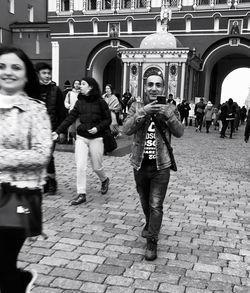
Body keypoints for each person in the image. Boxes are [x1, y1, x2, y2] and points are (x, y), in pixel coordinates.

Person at [0, 46, 52, 292]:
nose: (8, 72)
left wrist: (2, 158)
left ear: (26, 75)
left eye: (15, 67)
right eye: (1, 66)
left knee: (4, 259)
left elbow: (42, 154)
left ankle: (17, 282)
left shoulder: (36, 109)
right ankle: (18, 281)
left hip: (20, 196)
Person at [123, 68, 184, 261]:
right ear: (144, 86)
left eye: (158, 85)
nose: (154, 88)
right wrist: (143, 112)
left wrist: (169, 115)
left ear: (164, 87)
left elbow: (180, 132)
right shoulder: (136, 106)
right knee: (144, 200)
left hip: (161, 165)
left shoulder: (171, 108)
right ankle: (150, 224)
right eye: (150, 84)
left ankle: (152, 241)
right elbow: (126, 129)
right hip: (140, 164)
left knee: (156, 204)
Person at [52, 77, 111, 205]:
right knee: (80, 166)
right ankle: (81, 194)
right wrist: (57, 131)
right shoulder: (79, 102)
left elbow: (108, 120)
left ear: (90, 87)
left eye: (83, 84)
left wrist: (97, 128)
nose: (80, 86)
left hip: (96, 138)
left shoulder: (101, 102)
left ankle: (104, 179)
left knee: (97, 167)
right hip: (81, 138)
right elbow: (70, 118)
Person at [35, 62, 66, 195]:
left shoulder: (56, 90)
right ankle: (46, 181)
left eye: (49, 73)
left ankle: (52, 182)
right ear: (38, 74)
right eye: (44, 73)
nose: (47, 76)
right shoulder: (32, 89)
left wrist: (61, 131)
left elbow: (62, 112)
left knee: (48, 156)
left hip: (51, 130)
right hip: (35, 130)